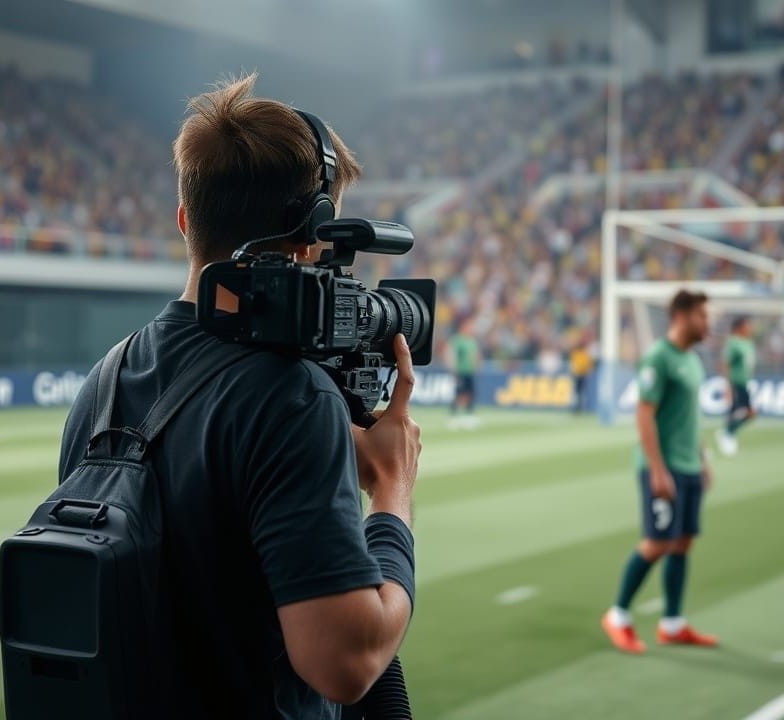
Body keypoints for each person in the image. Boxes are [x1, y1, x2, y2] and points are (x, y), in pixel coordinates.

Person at [57, 75, 421, 717]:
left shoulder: (105, 381)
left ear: (183, 219)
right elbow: (347, 662)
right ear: (316, 233)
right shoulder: (292, 399)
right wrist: (392, 490)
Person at [602, 290, 718, 654]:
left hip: (688, 466)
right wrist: (657, 469)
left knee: (682, 541)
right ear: (682, 317)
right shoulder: (658, 357)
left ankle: (672, 623)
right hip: (663, 469)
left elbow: (689, 418)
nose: (707, 323)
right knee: (657, 543)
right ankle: (618, 615)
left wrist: (702, 460)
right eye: (702, 315)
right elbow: (644, 413)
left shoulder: (693, 359)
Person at [716, 316, 756, 456]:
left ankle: (728, 432)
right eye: (747, 325)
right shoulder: (733, 343)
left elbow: (748, 365)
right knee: (741, 412)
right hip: (736, 383)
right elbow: (726, 363)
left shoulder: (748, 343)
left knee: (750, 413)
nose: (750, 328)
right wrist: (728, 386)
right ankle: (727, 435)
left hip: (745, 383)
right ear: (740, 327)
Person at [449, 320, 481, 429]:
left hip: (470, 371)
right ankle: (453, 415)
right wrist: (453, 369)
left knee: (470, 392)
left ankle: (468, 415)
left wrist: (476, 365)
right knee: (459, 393)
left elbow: (475, 355)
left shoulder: (472, 341)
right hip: (460, 371)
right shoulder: (457, 340)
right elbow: (452, 355)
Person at [570, 339, 596, 415]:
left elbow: (586, 365)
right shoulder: (580, 354)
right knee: (579, 393)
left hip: (581, 375)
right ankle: (578, 408)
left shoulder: (581, 354)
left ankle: (579, 408)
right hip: (580, 375)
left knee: (579, 393)